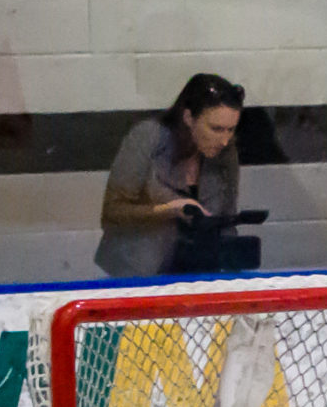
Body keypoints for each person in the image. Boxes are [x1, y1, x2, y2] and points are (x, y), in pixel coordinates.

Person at [95, 73, 246, 278]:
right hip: (139, 271)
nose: (225, 140)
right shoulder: (149, 137)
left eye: (231, 129)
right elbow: (112, 214)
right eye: (216, 129)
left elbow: (227, 223)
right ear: (188, 118)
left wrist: (233, 277)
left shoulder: (226, 153)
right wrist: (168, 210)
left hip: (199, 271)